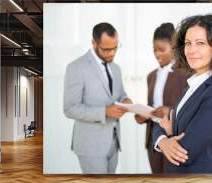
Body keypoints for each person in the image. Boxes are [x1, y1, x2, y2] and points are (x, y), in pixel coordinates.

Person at [153, 14, 212, 173]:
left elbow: (185, 152)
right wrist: (164, 139)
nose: (191, 50)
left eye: (200, 43)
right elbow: (162, 124)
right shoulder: (192, 87)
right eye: (188, 43)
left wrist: (166, 138)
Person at [64, 22, 132, 174]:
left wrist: (126, 101)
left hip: (114, 142)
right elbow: (70, 108)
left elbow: (120, 94)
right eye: (106, 49)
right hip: (90, 145)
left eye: (115, 48)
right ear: (94, 43)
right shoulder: (76, 67)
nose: (112, 53)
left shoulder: (116, 68)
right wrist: (104, 112)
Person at [135, 23, 189, 174]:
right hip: (153, 136)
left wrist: (169, 110)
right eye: (154, 50)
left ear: (173, 47)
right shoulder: (151, 76)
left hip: (174, 136)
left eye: (161, 50)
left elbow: (191, 106)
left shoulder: (186, 73)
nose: (157, 54)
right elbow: (152, 106)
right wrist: (142, 115)